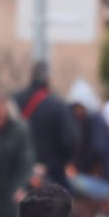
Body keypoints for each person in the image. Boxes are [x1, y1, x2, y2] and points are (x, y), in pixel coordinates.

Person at [15, 62, 78, 191]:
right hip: (50, 174)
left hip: (16, 174)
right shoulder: (58, 105)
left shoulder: (14, 100)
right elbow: (69, 141)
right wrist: (58, 163)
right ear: (48, 79)